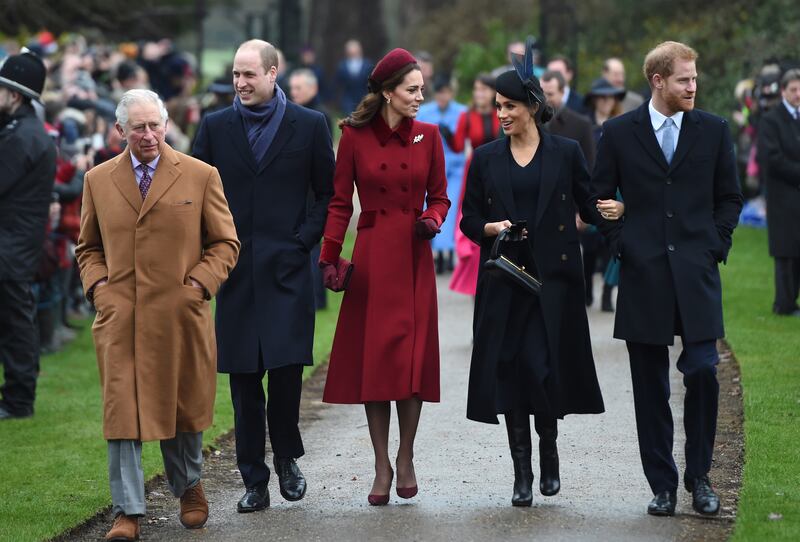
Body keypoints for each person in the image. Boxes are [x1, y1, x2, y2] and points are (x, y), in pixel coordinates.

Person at [75, 89, 240, 541]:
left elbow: (225, 243)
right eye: (138, 128)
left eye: (154, 125)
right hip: (121, 317)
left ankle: (188, 486)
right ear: (119, 131)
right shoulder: (98, 180)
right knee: (122, 413)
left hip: (178, 314)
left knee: (183, 406)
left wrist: (199, 285)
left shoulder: (200, 174)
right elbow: (88, 247)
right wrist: (99, 288)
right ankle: (128, 510)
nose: (147, 135)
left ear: (166, 125)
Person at [592, 41, 743, 517]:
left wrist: (714, 245)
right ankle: (661, 483)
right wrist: (624, 244)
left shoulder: (714, 131)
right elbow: (599, 200)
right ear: (658, 81)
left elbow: (730, 198)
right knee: (649, 384)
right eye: (684, 79)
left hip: (697, 273)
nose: (693, 86)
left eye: (694, 78)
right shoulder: (617, 133)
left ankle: (700, 478)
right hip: (643, 275)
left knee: (702, 370)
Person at [459, 47, 606, 507]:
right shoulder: (485, 158)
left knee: (543, 370)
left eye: (509, 106)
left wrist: (616, 212)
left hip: (554, 282)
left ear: (532, 107)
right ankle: (521, 471)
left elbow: (589, 206)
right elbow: (468, 220)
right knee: (512, 372)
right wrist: (493, 228)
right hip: (505, 280)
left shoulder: (565, 153)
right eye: (498, 106)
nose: (501, 114)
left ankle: (549, 451)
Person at [192, 39, 335, 513]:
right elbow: (194, 194)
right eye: (235, 74)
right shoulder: (214, 127)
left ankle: (288, 457)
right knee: (244, 382)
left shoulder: (309, 125)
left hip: (288, 270)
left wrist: (302, 241)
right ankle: (254, 478)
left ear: (274, 73)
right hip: (233, 273)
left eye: (249, 74)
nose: (240, 82)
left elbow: (328, 194)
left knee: (287, 372)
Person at [319, 48, 450, 505]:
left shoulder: (429, 135)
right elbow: (339, 203)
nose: (420, 96)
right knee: (376, 363)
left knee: (410, 363)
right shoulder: (353, 138)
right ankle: (380, 464)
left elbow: (440, 197)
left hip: (413, 255)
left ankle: (407, 455)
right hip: (373, 257)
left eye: (421, 89)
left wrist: (433, 220)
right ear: (388, 92)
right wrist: (329, 256)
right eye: (412, 89)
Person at [0, 51, 57, 421]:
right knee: (15, 322)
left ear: (15, 95)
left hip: (10, 247)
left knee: (16, 324)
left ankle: (19, 400)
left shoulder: (21, 137)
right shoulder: (21, 131)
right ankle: (17, 396)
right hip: (15, 243)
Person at [448, 73, 501, 297]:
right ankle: (474, 277)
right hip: (475, 172)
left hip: (499, 169)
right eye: (476, 89)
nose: (479, 94)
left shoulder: (501, 113)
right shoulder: (467, 116)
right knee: (472, 217)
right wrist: (449, 135)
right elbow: (459, 146)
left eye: (484, 89)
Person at [289, 67, 332, 310]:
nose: (294, 93)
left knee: (314, 243)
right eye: (292, 88)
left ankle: (317, 297)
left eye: (299, 88)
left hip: (312, 190)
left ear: (312, 89)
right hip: (301, 187)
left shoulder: (319, 116)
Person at [757, 68, 800, 317]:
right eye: (793, 90)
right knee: (785, 252)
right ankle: (784, 303)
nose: (797, 95)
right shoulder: (771, 120)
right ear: (783, 91)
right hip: (783, 196)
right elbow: (771, 159)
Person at [417, 74, 467, 274]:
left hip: (454, 168)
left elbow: (464, 142)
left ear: (451, 93)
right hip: (430, 168)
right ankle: (434, 254)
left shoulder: (462, 112)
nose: (442, 97)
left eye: (445, 92)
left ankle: (447, 253)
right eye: (439, 93)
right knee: (427, 207)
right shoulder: (424, 112)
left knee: (451, 209)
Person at [541, 69, 595, 167]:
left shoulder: (581, 124)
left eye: (550, 94)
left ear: (562, 92)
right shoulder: (533, 122)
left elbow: (589, 164)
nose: (545, 99)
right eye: (542, 94)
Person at [335, 39, 373, 116]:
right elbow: (337, 83)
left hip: (363, 96)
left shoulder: (368, 64)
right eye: (350, 49)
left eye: (354, 49)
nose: (352, 51)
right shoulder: (342, 65)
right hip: (348, 99)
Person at [585, 77, 626, 143]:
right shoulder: (585, 123)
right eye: (603, 97)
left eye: (610, 97)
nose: (607, 101)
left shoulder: (620, 124)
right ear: (595, 99)